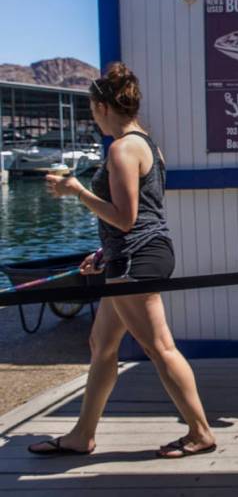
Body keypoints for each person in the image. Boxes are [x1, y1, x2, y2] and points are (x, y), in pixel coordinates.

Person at [29, 63, 216, 459]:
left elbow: (126, 217)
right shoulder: (146, 143)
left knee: (160, 347)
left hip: (137, 258)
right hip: (132, 255)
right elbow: (139, 214)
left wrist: (77, 191)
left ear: (101, 106)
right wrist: (103, 253)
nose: (92, 116)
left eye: (91, 109)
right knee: (102, 343)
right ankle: (83, 435)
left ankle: (201, 432)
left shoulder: (122, 148)